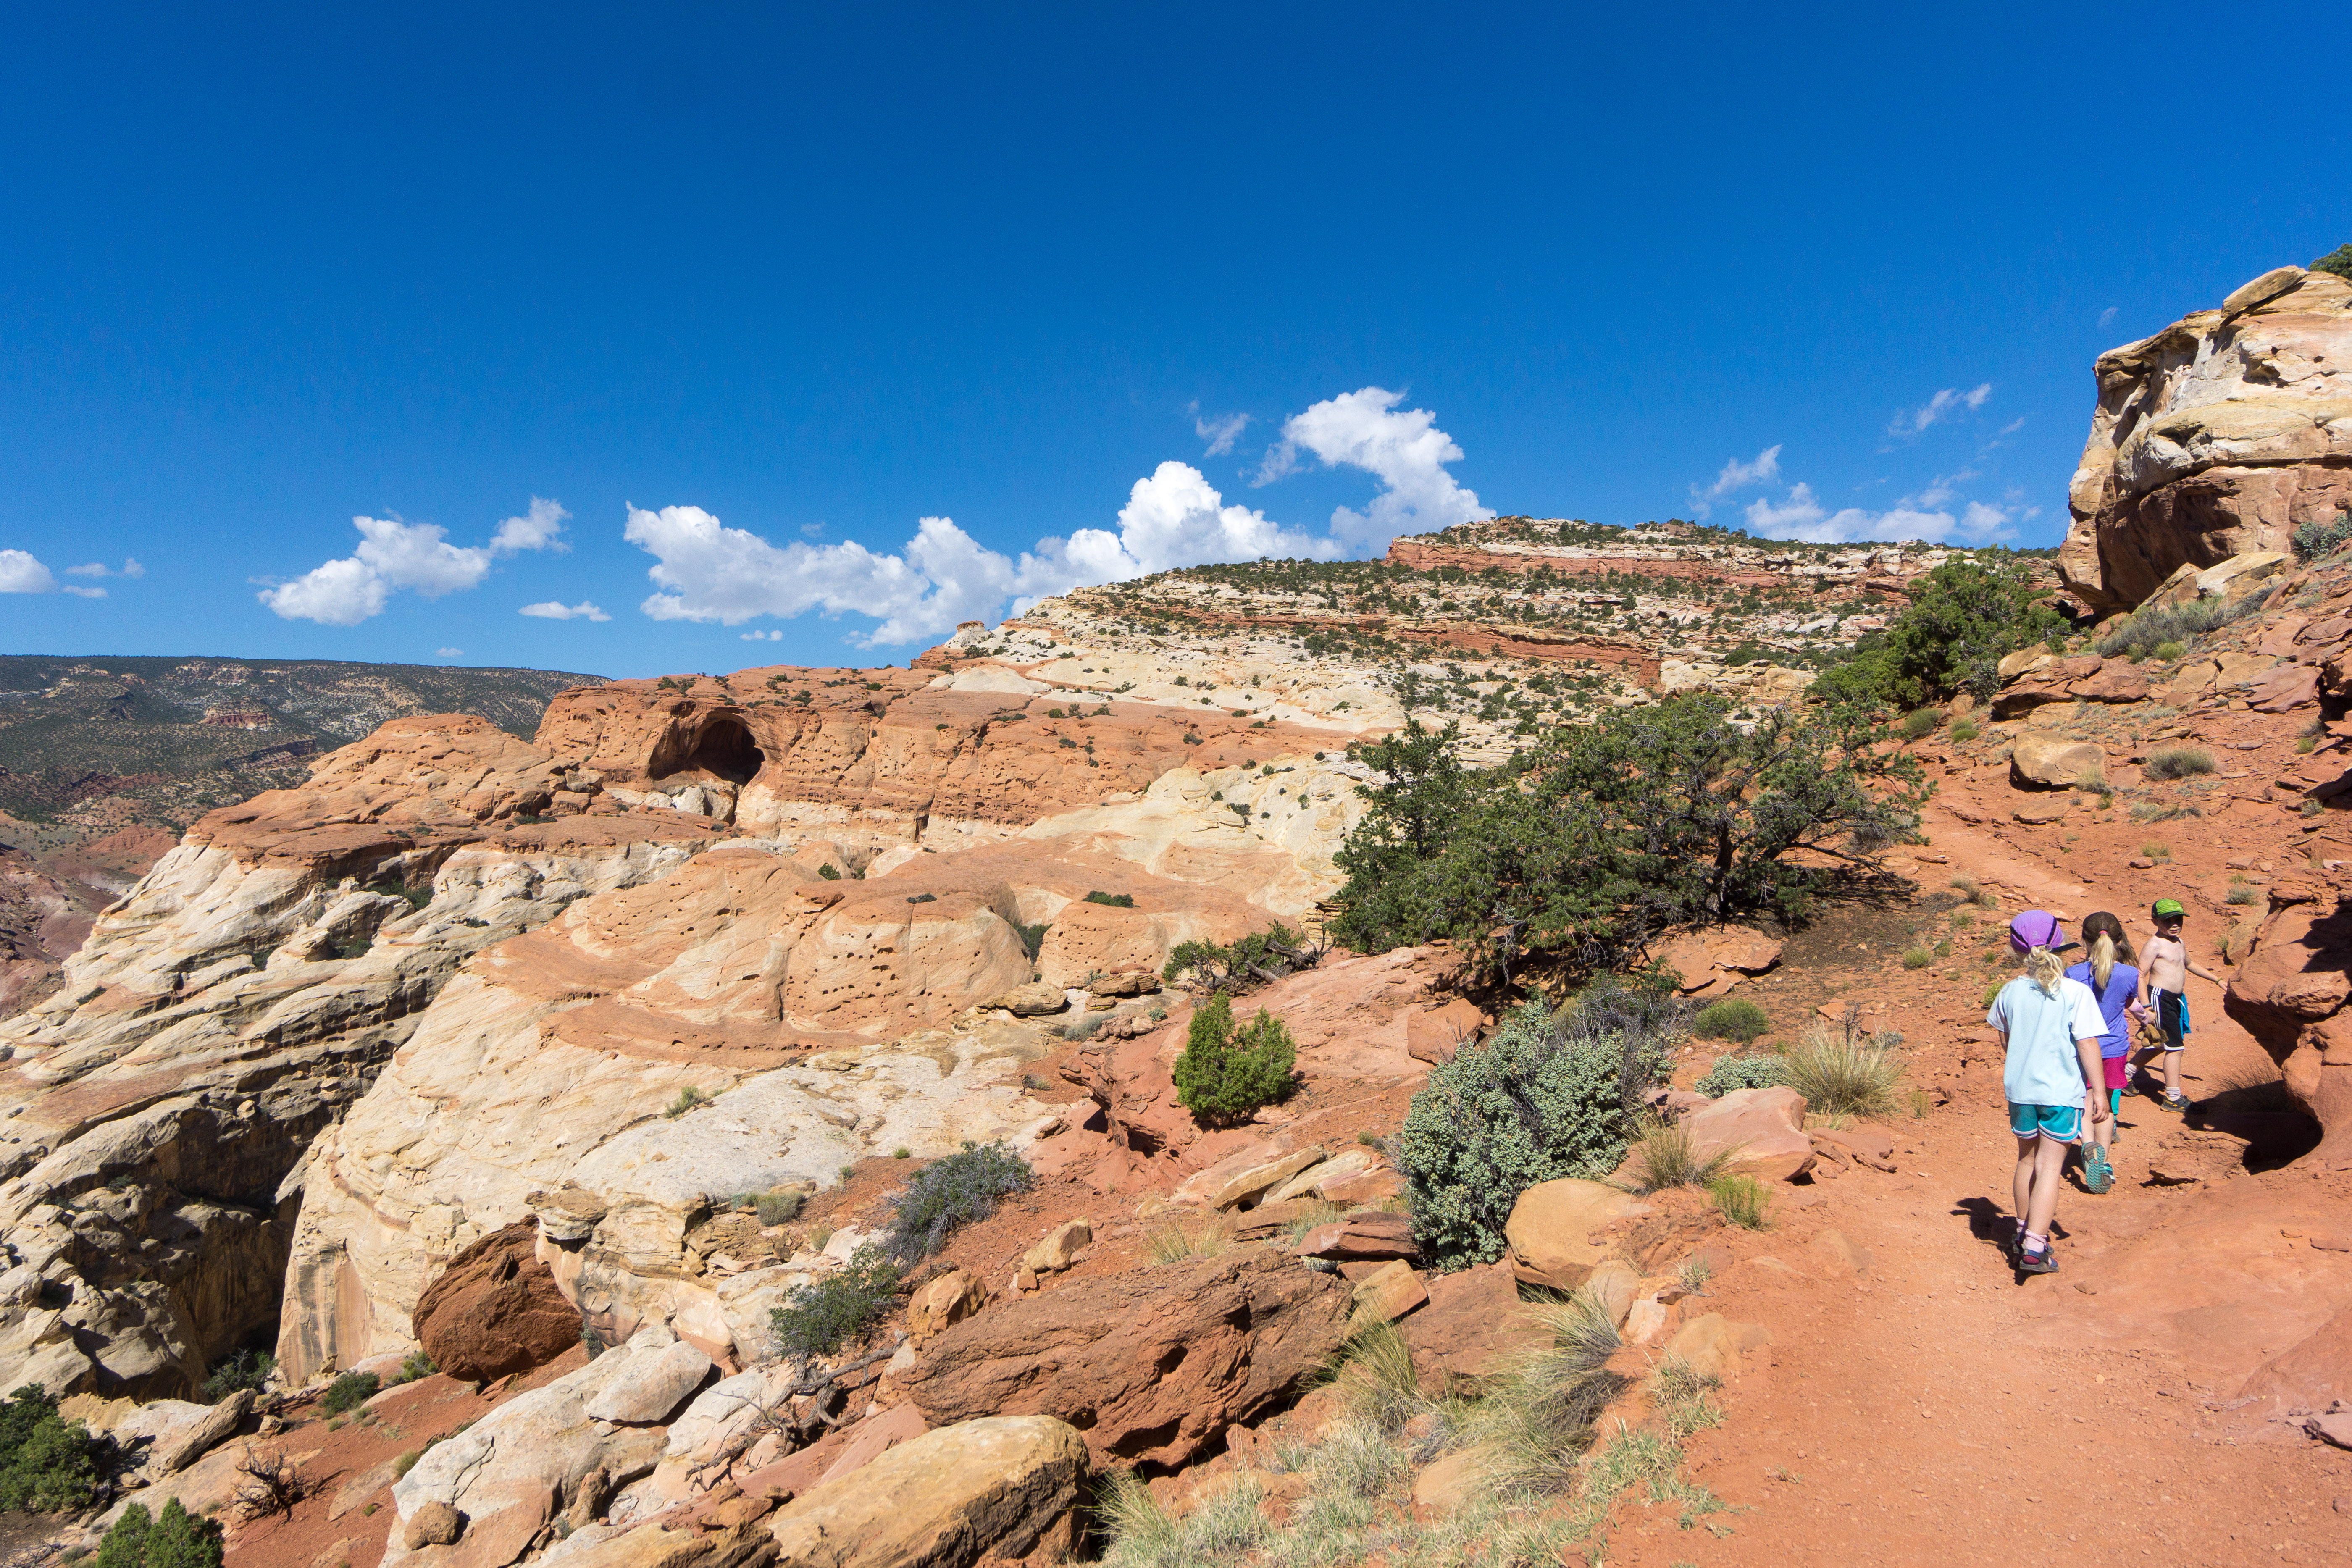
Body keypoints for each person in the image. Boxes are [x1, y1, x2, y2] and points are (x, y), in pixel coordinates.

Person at [1985, 910, 2110, 1275]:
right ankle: (2034, 1247)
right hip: (2059, 1093)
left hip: (2020, 1091)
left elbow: (2006, 1041)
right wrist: (2098, 1092)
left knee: (2026, 1160)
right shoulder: (2075, 992)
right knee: (2049, 1167)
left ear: (2015, 948)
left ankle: (2022, 1232)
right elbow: (2087, 1045)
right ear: (2059, 942)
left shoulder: (2009, 991)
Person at [2064, 911, 2140, 1194]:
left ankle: (2087, 1147)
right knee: (2105, 1105)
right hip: (2114, 1048)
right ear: (2118, 940)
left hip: (2082, 1047)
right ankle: (2104, 1162)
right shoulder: (2131, 974)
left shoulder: (2072, 974)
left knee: (2085, 1102)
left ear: (2085, 940)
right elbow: (2137, 1006)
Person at [2131, 897, 2223, 1114]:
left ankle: (2125, 1076)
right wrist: (2146, 1006)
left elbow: (2189, 964)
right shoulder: (2154, 944)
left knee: (2159, 1043)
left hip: (2174, 1000)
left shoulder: (2179, 942)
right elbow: (2139, 974)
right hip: (2159, 999)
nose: (2174, 924)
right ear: (2155, 921)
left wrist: (2217, 980)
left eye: (2178, 919)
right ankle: (2173, 1098)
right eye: (2168, 920)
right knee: (2175, 1048)